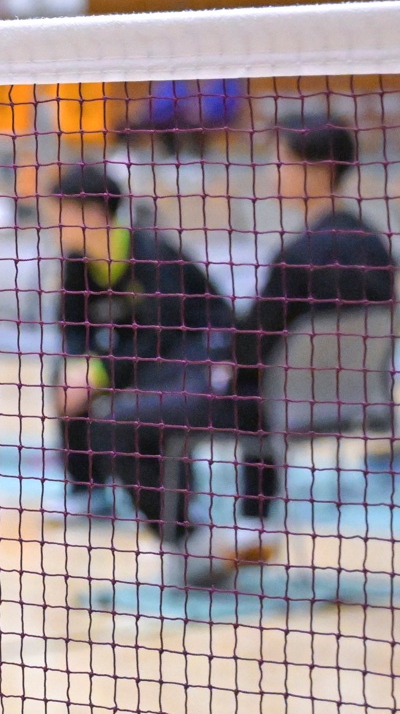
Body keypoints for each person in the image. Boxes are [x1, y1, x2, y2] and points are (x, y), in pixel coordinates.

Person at [85, 114, 396, 581]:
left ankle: (190, 544)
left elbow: (250, 350)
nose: (271, 171)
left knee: (118, 419)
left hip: (272, 407)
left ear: (316, 169)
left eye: (279, 160)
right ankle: (255, 520)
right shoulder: (374, 246)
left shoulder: (300, 258)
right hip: (352, 402)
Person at [42, 164, 231, 521]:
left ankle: (181, 498)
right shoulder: (77, 263)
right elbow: (72, 327)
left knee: (154, 392)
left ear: (92, 213)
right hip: (140, 349)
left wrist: (101, 370)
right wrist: (78, 364)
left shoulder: (150, 252)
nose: (52, 223)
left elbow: (165, 332)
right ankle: (87, 490)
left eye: (60, 213)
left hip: (193, 349)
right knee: (66, 377)